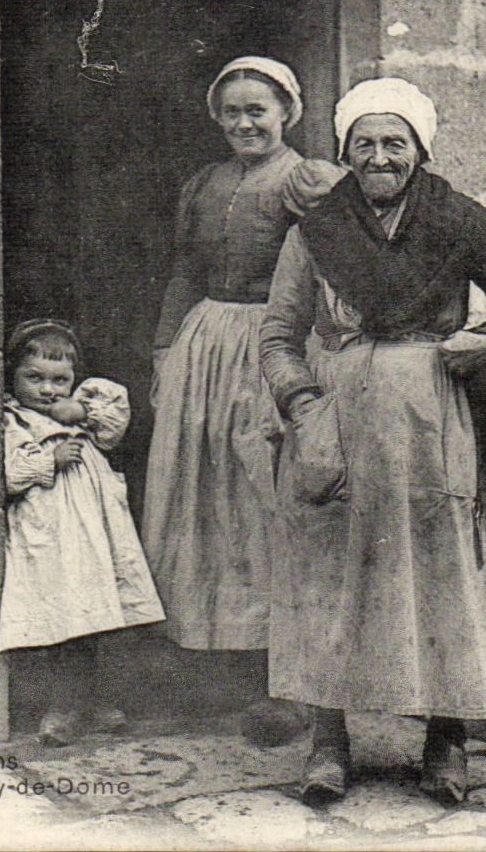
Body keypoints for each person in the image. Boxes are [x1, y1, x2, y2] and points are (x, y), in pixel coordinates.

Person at [259, 77, 486, 805]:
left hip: (438, 426)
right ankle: (330, 742)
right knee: (329, 577)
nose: (379, 157)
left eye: (395, 143)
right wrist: (304, 406)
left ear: (420, 150)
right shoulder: (315, 232)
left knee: (444, 575)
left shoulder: (459, 223)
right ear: (346, 152)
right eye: (364, 144)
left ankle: (446, 741)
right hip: (341, 422)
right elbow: (277, 336)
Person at [142, 56, 343, 745]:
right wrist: (166, 351)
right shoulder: (205, 184)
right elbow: (184, 272)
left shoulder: (307, 180)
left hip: (274, 344)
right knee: (208, 501)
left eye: (258, 109)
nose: (245, 122)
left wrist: (325, 359)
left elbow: (341, 269)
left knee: (268, 498)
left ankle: (287, 679)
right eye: (232, 111)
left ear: (288, 112)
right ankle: (217, 673)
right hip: (206, 345)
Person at [1, 319, 165, 746]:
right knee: (63, 619)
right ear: (12, 377)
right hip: (51, 534)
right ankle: (63, 706)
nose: (48, 390)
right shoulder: (12, 420)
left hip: (93, 534)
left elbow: (116, 416)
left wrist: (82, 408)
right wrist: (48, 461)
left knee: (101, 616)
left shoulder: (79, 412)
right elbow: (7, 474)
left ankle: (94, 701)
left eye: (60, 380)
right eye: (34, 378)